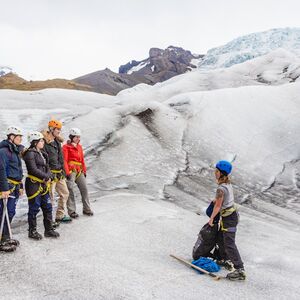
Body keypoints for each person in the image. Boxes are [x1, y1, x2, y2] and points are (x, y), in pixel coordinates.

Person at [208, 160, 246, 281]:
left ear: (221, 173)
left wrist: (212, 218)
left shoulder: (221, 189)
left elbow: (218, 206)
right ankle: (224, 259)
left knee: (229, 244)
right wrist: (216, 201)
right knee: (221, 238)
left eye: (217, 171)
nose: (215, 172)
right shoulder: (227, 184)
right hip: (230, 216)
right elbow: (222, 201)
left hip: (229, 218)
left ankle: (240, 270)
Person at [23, 131, 60, 240]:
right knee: (34, 208)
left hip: (43, 184)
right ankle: (32, 231)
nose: (43, 142)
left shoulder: (42, 153)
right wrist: (46, 177)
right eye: (41, 140)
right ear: (35, 142)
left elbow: (47, 167)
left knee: (47, 206)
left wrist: (49, 175)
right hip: (33, 184)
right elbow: (32, 169)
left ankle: (48, 230)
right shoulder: (29, 153)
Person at [42, 119, 71, 225]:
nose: (59, 131)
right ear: (51, 129)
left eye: (59, 129)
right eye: (57, 129)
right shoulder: (44, 142)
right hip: (50, 174)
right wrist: (47, 174)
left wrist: (64, 172)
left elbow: (61, 158)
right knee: (50, 197)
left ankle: (60, 215)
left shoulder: (57, 141)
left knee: (65, 193)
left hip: (59, 173)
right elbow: (43, 159)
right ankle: (50, 220)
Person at [0, 126, 24, 251]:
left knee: (11, 211)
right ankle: (2, 239)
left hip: (14, 186)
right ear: (11, 137)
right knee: (3, 213)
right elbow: (1, 170)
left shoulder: (15, 151)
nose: (20, 139)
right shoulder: (4, 151)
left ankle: (6, 235)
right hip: (7, 187)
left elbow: (19, 170)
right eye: (18, 137)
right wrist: (4, 189)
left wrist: (20, 185)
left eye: (21, 137)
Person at [63, 128, 93, 218]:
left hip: (79, 170)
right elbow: (64, 160)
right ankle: (72, 211)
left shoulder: (79, 147)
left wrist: (84, 170)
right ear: (72, 137)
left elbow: (82, 160)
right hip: (71, 170)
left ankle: (87, 209)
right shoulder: (65, 147)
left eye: (79, 137)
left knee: (84, 189)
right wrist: (67, 172)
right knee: (70, 189)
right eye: (76, 137)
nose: (78, 138)